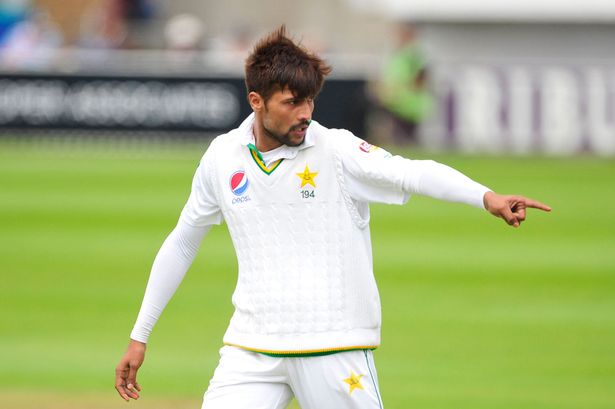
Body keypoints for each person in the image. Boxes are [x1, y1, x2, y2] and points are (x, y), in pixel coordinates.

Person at [115, 26, 551, 409]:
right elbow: (184, 240)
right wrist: (141, 333)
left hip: (333, 345)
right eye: (291, 102)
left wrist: (485, 196)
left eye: (310, 101)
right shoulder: (221, 157)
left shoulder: (336, 149)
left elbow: (413, 172)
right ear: (256, 101)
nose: (305, 113)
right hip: (253, 347)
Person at [377, 23, 433, 145]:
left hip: (409, 102)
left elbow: (422, 73)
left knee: (407, 137)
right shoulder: (398, 53)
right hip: (396, 101)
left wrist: (411, 88)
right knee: (397, 135)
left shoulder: (413, 53)